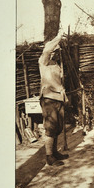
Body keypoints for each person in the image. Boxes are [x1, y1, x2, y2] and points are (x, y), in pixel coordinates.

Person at [38, 32, 69, 166]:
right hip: (48, 98)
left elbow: (59, 83)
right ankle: (49, 156)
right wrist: (59, 37)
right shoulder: (43, 62)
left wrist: (64, 96)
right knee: (50, 127)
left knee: (58, 127)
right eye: (54, 51)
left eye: (57, 52)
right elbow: (47, 49)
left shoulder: (56, 65)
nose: (55, 53)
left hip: (58, 98)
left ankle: (55, 152)